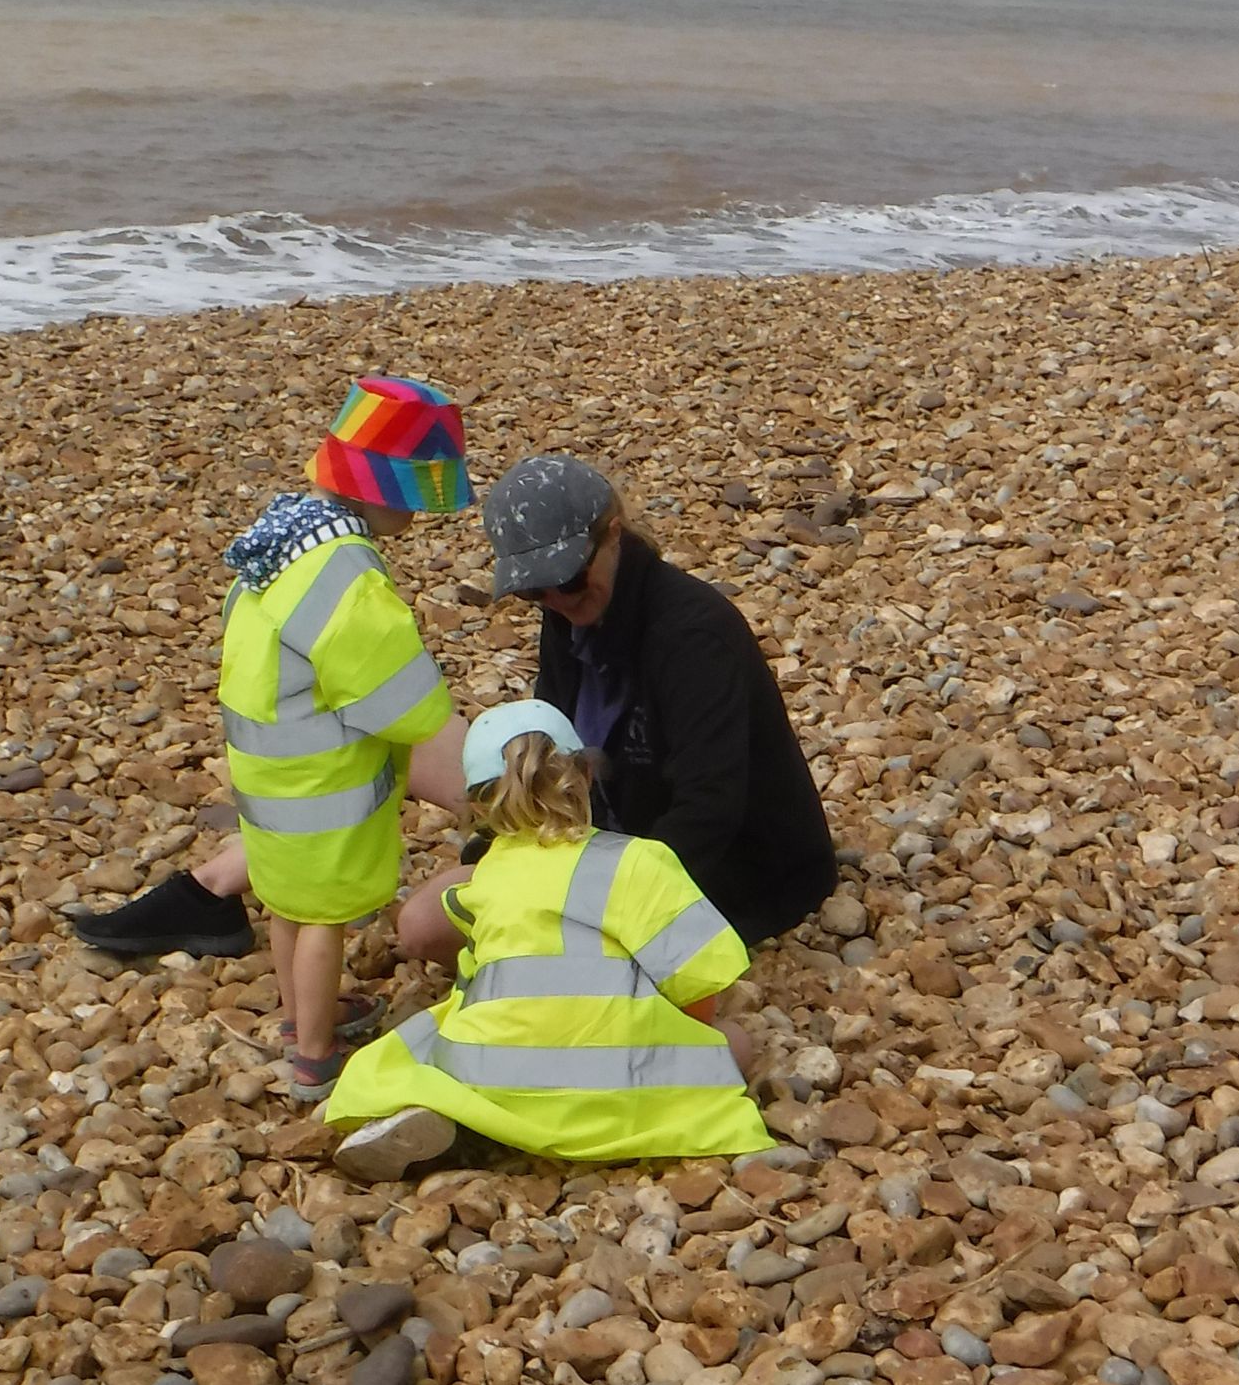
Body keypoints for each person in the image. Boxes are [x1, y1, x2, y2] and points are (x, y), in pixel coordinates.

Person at [67, 377, 472, 966]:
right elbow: (404, 704)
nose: (415, 517)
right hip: (315, 766)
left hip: (266, 758)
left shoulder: (282, 541)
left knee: (295, 847)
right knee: (323, 873)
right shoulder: (346, 574)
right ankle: (310, 1044)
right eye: (412, 500)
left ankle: (209, 895)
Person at [326, 700, 770, 1181]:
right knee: (736, 1042)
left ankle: (470, 1118)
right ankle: (631, 1121)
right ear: (584, 773)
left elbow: (473, 988)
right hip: (627, 1097)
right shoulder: (639, 859)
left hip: (502, 1078)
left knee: (433, 1042)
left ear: (478, 804)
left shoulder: (486, 877)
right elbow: (699, 988)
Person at [478, 452, 835, 942]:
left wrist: (601, 896)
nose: (558, 601)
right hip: (624, 846)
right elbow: (550, 760)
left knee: (528, 937)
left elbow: (709, 809)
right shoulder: (567, 616)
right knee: (437, 920)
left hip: (744, 871)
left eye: (568, 578)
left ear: (615, 535)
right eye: (533, 592)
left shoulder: (694, 635)